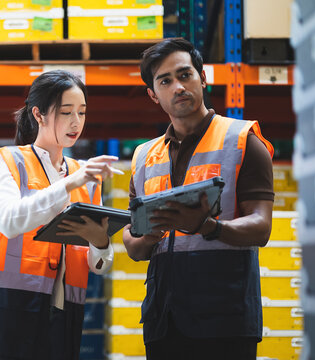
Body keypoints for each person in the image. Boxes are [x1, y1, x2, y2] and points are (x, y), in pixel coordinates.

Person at [122, 38, 274, 360]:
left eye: (185, 75)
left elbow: (261, 227)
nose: (178, 87)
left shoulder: (244, 141)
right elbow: (132, 241)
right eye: (165, 81)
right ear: (153, 94)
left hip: (226, 320)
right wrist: (146, 235)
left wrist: (208, 227)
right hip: (163, 322)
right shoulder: (143, 156)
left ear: (202, 79)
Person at [0, 70, 116, 359]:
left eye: (82, 112)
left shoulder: (87, 177)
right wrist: (70, 183)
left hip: (66, 314)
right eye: (66, 112)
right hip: (12, 306)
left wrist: (101, 243)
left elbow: (99, 265)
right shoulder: (9, 160)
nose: (76, 122)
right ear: (38, 114)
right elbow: (10, 222)